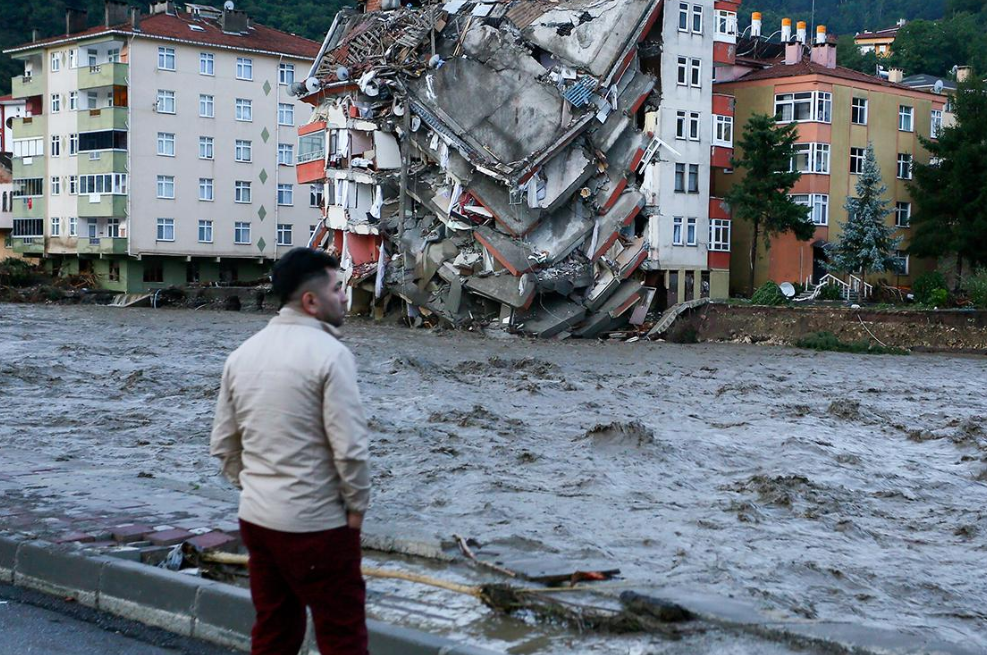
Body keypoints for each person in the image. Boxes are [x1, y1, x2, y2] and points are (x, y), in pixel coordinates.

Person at [210, 248, 370, 655]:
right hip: (317, 525)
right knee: (342, 635)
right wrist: (355, 509)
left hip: (258, 520)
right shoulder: (332, 356)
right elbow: (349, 449)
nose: (345, 297)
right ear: (311, 301)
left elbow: (224, 445)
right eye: (337, 289)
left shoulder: (241, 355)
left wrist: (256, 486)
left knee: (275, 630)